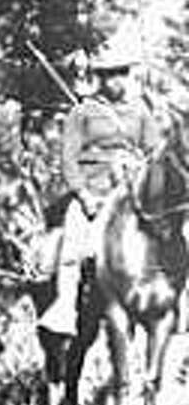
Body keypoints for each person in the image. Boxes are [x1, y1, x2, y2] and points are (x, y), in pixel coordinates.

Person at [37, 46, 160, 337]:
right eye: (111, 75)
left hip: (131, 193)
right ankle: (65, 307)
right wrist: (84, 195)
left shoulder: (140, 112)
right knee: (73, 242)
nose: (118, 81)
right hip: (94, 191)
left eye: (122, 74)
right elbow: (68, 159)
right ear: (100, 78)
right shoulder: (82, 113)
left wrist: (140, 166)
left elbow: (154, 153)